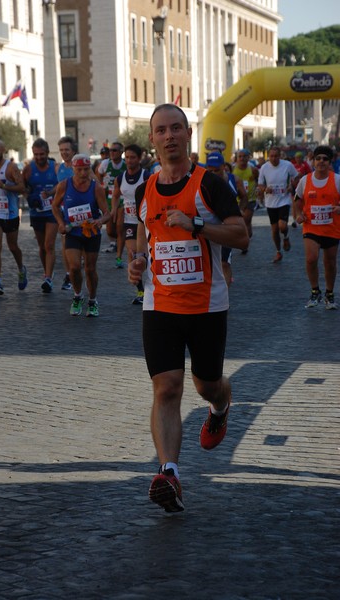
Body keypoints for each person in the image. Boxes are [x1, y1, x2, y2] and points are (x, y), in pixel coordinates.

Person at [128, 103, 249, 512]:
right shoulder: (147, 186)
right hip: (159, 304)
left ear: (188, 134)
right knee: (167, 388)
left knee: (205, 384)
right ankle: (170, 473)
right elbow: (145, 233)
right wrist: (139, 261)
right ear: (152, 139)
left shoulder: (209, 184)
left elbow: (241, 236)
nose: (169, 136)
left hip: (206, 306)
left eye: (176, 128)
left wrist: (196, 225)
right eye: (161, 130)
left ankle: (220, 405)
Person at [52, 154, 110, 317]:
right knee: (74, 267)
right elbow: (55, 207)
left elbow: (107, 213)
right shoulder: (64, 185)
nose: (83, 173)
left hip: (91, 233)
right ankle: (77, 296)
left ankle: (92, 300)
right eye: (79, 170)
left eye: (86, 169)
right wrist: (61, 224)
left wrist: (100, 221)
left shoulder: (96, 187)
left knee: (90, 269)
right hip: (73, 232)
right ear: (73, 169)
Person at [294, 145, 340, 309]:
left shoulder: (337, 180)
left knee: (330, 263)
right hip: (311, 227)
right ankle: (315, 291)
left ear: (330, 162)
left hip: (332, 228)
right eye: (318, 158)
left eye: (325, 159)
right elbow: (297, 200)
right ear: (313, 161)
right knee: (311, 259)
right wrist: (298, 214)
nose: (321, 162)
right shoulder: (305, 180)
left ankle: (329, 293)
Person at [0, 139, 28, 295]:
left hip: (10, 212)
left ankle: (21, 269)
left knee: (13, 246)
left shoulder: (11, 167)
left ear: (3, 150)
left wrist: (4, 186)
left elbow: (22, 188)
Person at [111, 144, 149, 304]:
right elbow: (115, 195)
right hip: (130, 222)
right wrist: (113, 211)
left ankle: (152, 285)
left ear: (139, 159)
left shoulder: (146, 176)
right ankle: (140, 290)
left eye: (133, 157)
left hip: (146, 223)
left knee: (147, 255)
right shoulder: (120, 178)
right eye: (127, 157)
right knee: (133, 253)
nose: (129, 160)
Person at [205, 151, 248, 286]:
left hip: (226, 228)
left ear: (224, 166)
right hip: (208, 227)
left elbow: (244, 197)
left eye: (216, 170)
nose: (212, 174)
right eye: (209, 170)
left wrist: (239, 211)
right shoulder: (203, 182)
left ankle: (224, 299)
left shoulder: (234, 180)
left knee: (224, 263)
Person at [23, 138, 59, 292]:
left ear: (47, 153)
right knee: (41, 246)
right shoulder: (28, 169)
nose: (39, 157)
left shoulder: (55, 167)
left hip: (52, 211)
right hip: (36, 212)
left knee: (49, 244)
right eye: (36, 154)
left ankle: (48, 278)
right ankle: (47, 272)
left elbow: (62, 185)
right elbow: (23, 187)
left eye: (41, 154)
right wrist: (30, 198)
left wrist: (52, 193)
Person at [257, 146, 299, 263]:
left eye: (276, 156)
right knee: (275, 230)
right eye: (271, 156)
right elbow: (260, 184)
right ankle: (278, 252)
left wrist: (292, 186)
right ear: (268, 156)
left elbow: (296, 177)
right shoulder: (264, 168)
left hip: (284, 200)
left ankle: (285, 237)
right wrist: (265, 189)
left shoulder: (287, 165)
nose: (274, 158)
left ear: (280, 156)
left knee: (282, 226)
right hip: (270, 202)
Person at [96, 141, 126, 264]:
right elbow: (98, 175)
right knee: (110, 230)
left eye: (114, 150)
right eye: (110, 150)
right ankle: (119, 240)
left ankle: (119, 256)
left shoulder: (125, 165)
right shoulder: (105, 164)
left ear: (121, 152)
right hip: (108, 198)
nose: (111, 153)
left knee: (120, 226)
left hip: (122, 199)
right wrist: (101, 187)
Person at [56, 136, 77, 291]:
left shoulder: (80, 167)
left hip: (82, 212)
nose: (64, 153)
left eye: (67, 150)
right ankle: (69, 274)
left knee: (81, 245)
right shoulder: (59, 168)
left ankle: (77, 270)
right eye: (61, 150)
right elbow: (59, 189)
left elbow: (95, 183)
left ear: (73, 151)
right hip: (65, 211)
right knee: (65, 243)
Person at [232, 149, 259, 241]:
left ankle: (245, 241)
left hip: (250, 199)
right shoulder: (232, 169)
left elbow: (257, 181)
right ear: (237, 158)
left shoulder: (253, 170)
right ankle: (246, 235)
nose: (242, 158)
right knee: (242, 222)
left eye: (244, 156)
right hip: (237, 200)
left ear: (248, 158)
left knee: (246, 219)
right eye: (240, 156)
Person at [290, 151, 312, 228]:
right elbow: (289, 176)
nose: (298, 159)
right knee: (294, 203)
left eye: (300, 157)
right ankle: (294, 220)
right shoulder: (293, 165)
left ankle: (304, 216)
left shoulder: (305, 165)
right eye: (297, 157)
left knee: (303, 203)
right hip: (294, 187)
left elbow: (310, 174)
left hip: (304, 187)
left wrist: (302, 175)